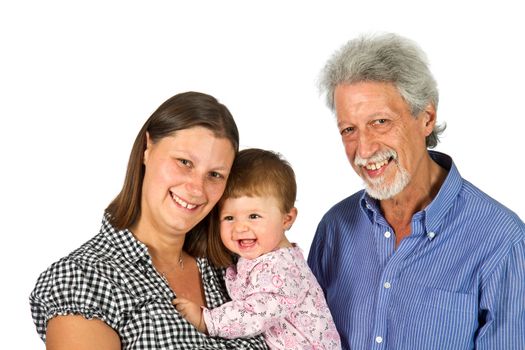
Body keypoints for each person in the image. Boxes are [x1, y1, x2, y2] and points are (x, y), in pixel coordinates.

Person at [307, 33, 525, 349]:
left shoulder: (503, 242)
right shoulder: (334, 228)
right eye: (349, 130)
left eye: (380, 121)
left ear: (426, 118)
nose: (364, 149)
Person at [29, 92, 268, 349]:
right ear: (147, 149)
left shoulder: (238, 267)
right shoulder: (82, 279)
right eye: (184, 162)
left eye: (215, 175)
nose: (197, 189)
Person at [174, 148, 341, 349]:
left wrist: (207, 321)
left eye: (253, 216)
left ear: (287, 219)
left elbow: (255, 314)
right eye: (229, 218)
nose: (240, 228)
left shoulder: (282, 269)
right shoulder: (261, 256)